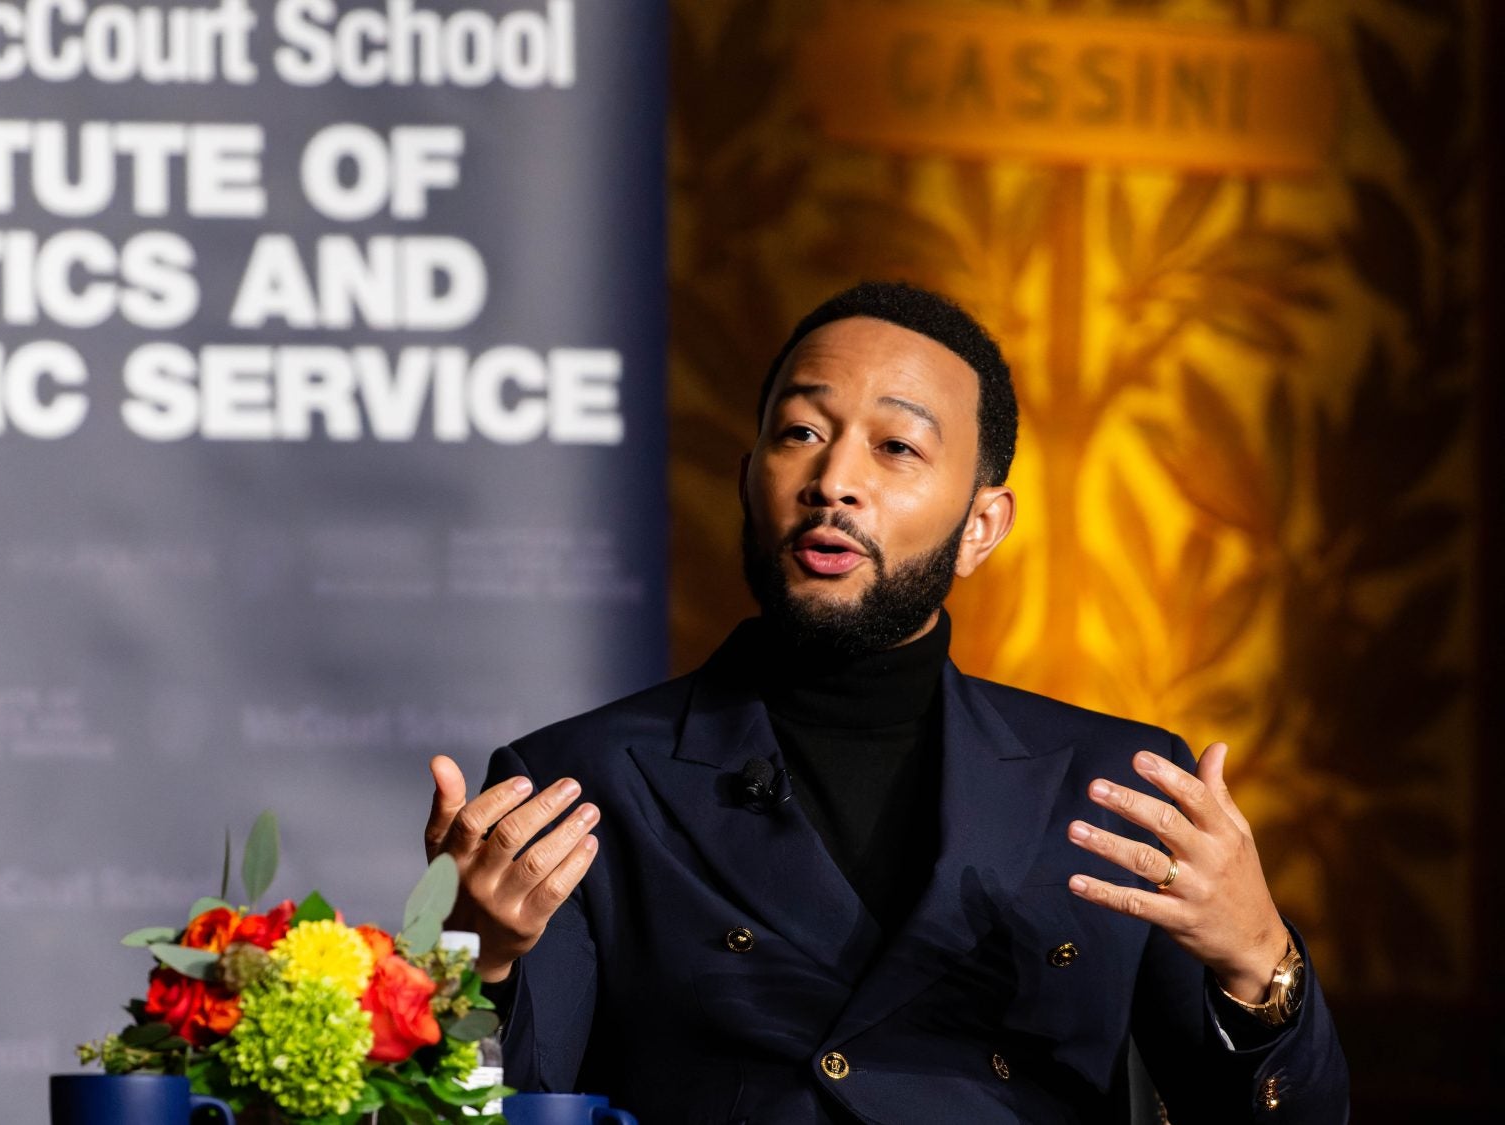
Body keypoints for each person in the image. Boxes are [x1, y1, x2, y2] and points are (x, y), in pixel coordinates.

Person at [423, 281, 1346, 1123]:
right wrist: (471, 956)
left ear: (980, 525)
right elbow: (490, 1107)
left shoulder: (1116, 787)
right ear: (749, 478)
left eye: (896, 446)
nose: (834, 482)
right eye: (800, 434)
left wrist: (1259, 957)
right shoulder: (580, 783)